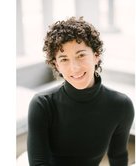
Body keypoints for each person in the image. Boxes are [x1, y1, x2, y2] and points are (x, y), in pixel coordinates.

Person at [27, 17, 134, 166]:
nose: (75, 68)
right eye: (64, 59)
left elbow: (119, 157)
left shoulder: (121, 105)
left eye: (81, 55)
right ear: (56, 65)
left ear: (96, 56)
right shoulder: (42, 104)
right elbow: (38, 163)